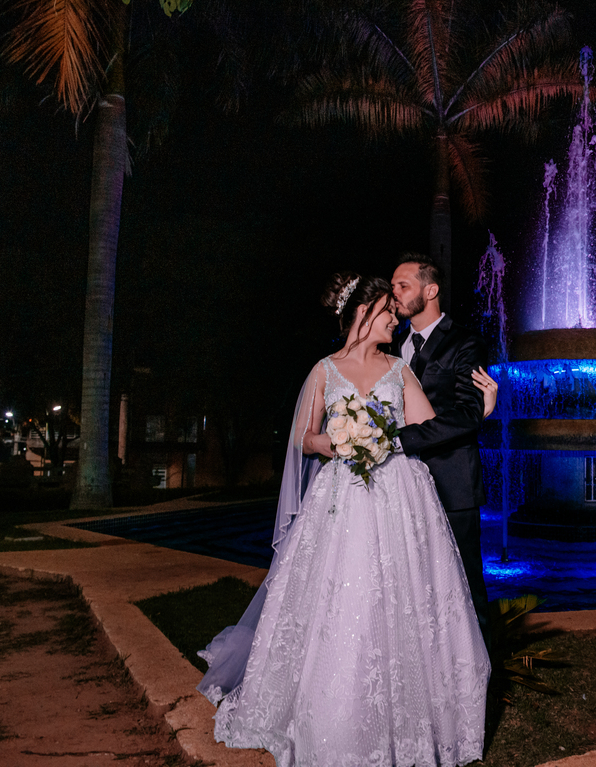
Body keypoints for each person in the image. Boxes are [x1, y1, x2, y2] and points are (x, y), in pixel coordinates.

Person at [197, 273, 497, 767]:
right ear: (362, 313)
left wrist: (480, 412)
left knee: (402, 600)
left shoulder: (399, 369)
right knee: (342, 599)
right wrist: (336, 442)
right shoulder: (324, 371)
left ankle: (410, 721)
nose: (395, 319)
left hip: (400, 496)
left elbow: (428, 429)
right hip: (342, 498)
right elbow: (303, 438)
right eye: (387, 312)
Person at [389, 253, 495, 651]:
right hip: (399, 483)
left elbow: (468, 414)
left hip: (452, 484)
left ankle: (482, 676)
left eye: (403, 286)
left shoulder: (466, 342)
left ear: (430, 290)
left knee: (466, 588)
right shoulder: (393, 345)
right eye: (393, 286)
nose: (394, 294)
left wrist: (399, 439)